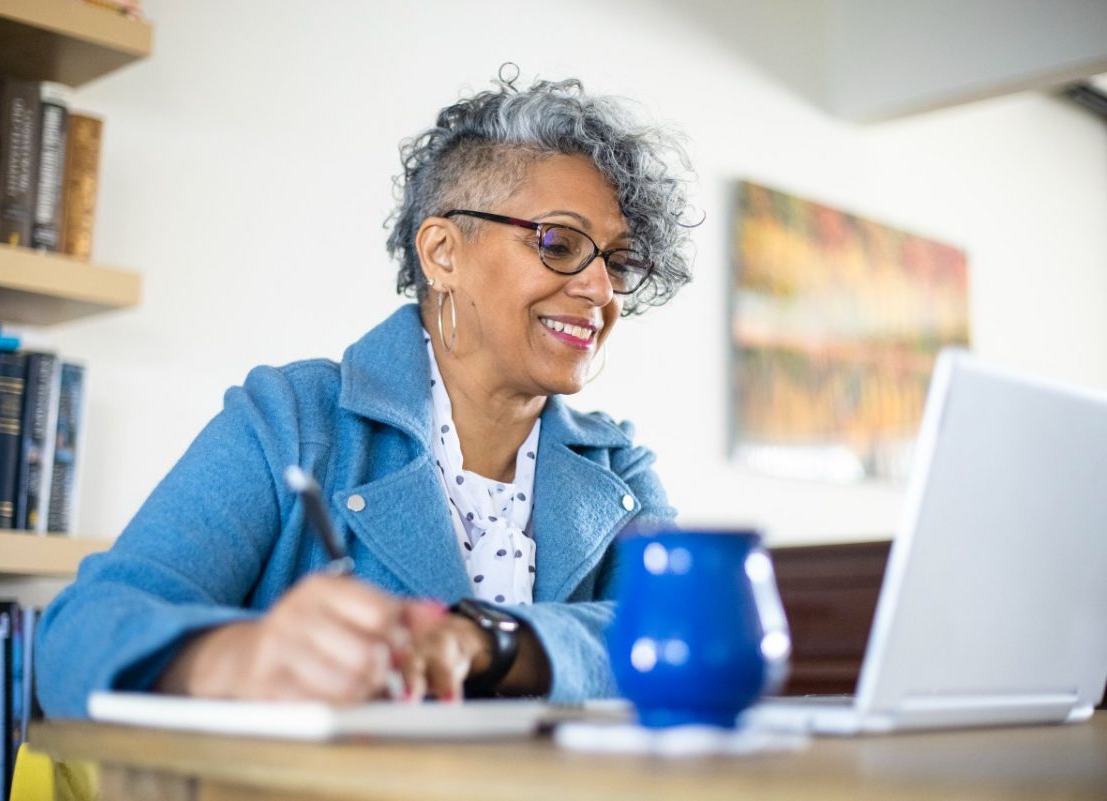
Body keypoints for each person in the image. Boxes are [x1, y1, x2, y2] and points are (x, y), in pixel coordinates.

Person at [35, 67, 696, 717]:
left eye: (618, 261)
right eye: (559, 243)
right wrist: (238, 657)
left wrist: (495, 641)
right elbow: (75, 637)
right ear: (442, 253)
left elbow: (684, 640)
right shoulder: (290, 419)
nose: (602, 291)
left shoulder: (619, 468)